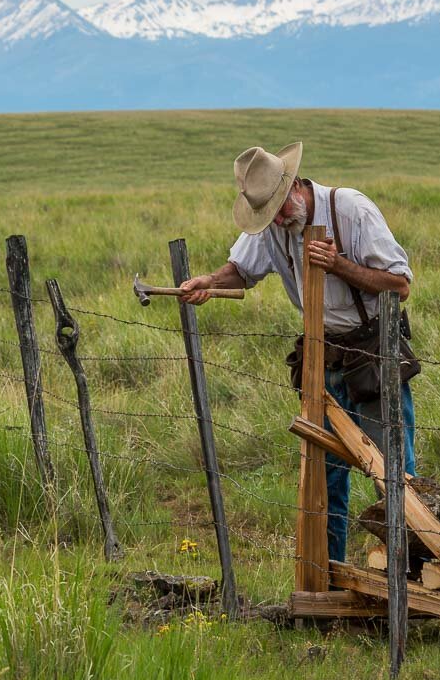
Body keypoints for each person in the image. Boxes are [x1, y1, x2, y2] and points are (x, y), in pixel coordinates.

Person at [178, 142, 417, 563]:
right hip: (320, 358)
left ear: (295, 186)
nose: (280, 219)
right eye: (269, 214)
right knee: (324, 480)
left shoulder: (350, 210)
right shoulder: (272, 224)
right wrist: (209, 282)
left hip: (373, 352)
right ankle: (328, 575)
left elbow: (400, 285)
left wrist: (339, 265)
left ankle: (413, 572)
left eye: (281, 208)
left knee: (393, 471)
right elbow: (240, 272)